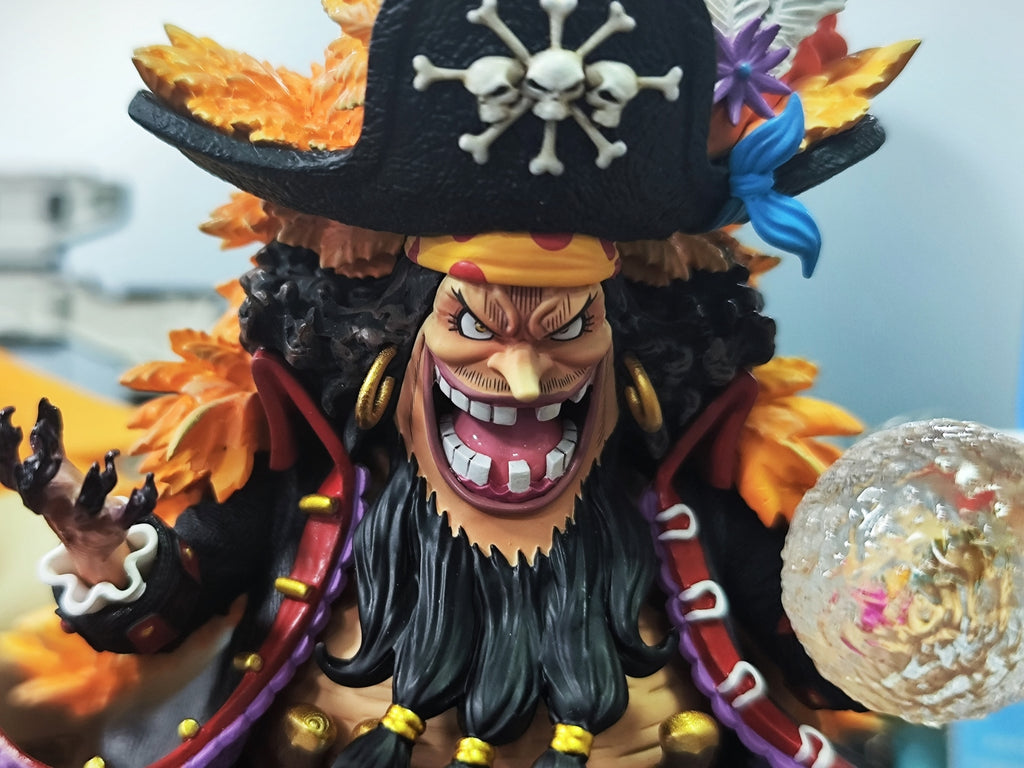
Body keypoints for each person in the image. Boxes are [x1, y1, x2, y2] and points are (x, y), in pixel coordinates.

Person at [0, 1, 917, 766]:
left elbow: (829, 662)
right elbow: (168, 610)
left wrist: (904, 617)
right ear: (393, 350)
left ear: (626, 355)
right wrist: (114, 562)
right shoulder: (315, 495)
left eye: (569, 329)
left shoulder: (685, 514)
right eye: (476, 326)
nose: (521, 378)